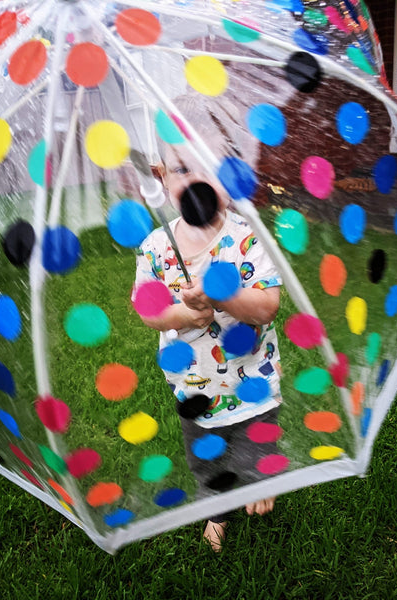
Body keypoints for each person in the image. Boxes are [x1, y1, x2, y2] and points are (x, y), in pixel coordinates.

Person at [133, 96, 283, 551]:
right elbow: (145, 307)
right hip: (194, 384)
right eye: (181, 168)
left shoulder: (245, 235)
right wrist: (182, 314)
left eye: (208, 165)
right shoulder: (155, 246)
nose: (195, 178)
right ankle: (215, 506)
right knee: (207, 452)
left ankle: (259, 478)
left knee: (257, 433)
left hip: (250, 374)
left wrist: (226, 297)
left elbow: (268, 305)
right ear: (161, 176)